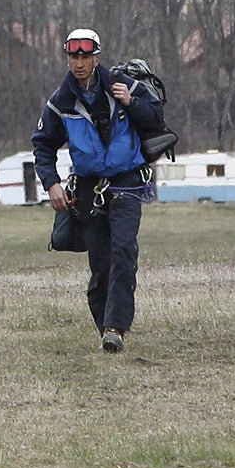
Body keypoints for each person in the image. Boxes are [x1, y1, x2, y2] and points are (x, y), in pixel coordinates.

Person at [33, 28, 167, 354]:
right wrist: (51, 183)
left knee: (124, 253)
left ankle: (115, 328)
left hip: (127, 181)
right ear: (67, 57)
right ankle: (103, 325)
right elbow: (43, 145)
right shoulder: (60, 101)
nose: (79, 63)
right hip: (90, 190)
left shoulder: (124, 85)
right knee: (101, 263)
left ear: (97, 57)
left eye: (85, 56)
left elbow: (156, 118)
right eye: (73, 56)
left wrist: (131, 102)